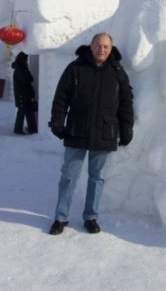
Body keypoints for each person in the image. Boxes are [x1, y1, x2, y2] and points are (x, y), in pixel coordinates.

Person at [48, 33, 134, 235]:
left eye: (105, 46)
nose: (101, 49)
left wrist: (126, 128)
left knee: (97, 178)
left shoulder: (118, 72)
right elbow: (61, 97)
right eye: (98, 45)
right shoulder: (75, 68)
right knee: (69, 175)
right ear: (91, 46)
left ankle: (91, 217)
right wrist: (58, 122)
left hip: (105, 131)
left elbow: (126, 104)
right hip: (77, 129)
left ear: (111, 49)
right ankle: (61, 217)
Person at [11, 52, 38, 135]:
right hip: (22, 94)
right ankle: (20, 129)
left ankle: (30, 128)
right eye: (26, 59)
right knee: (23, 111)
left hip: (24, 94)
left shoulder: (21, 68)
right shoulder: (20, 69)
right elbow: (27, 79)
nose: (27, 61)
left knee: (26, 111)